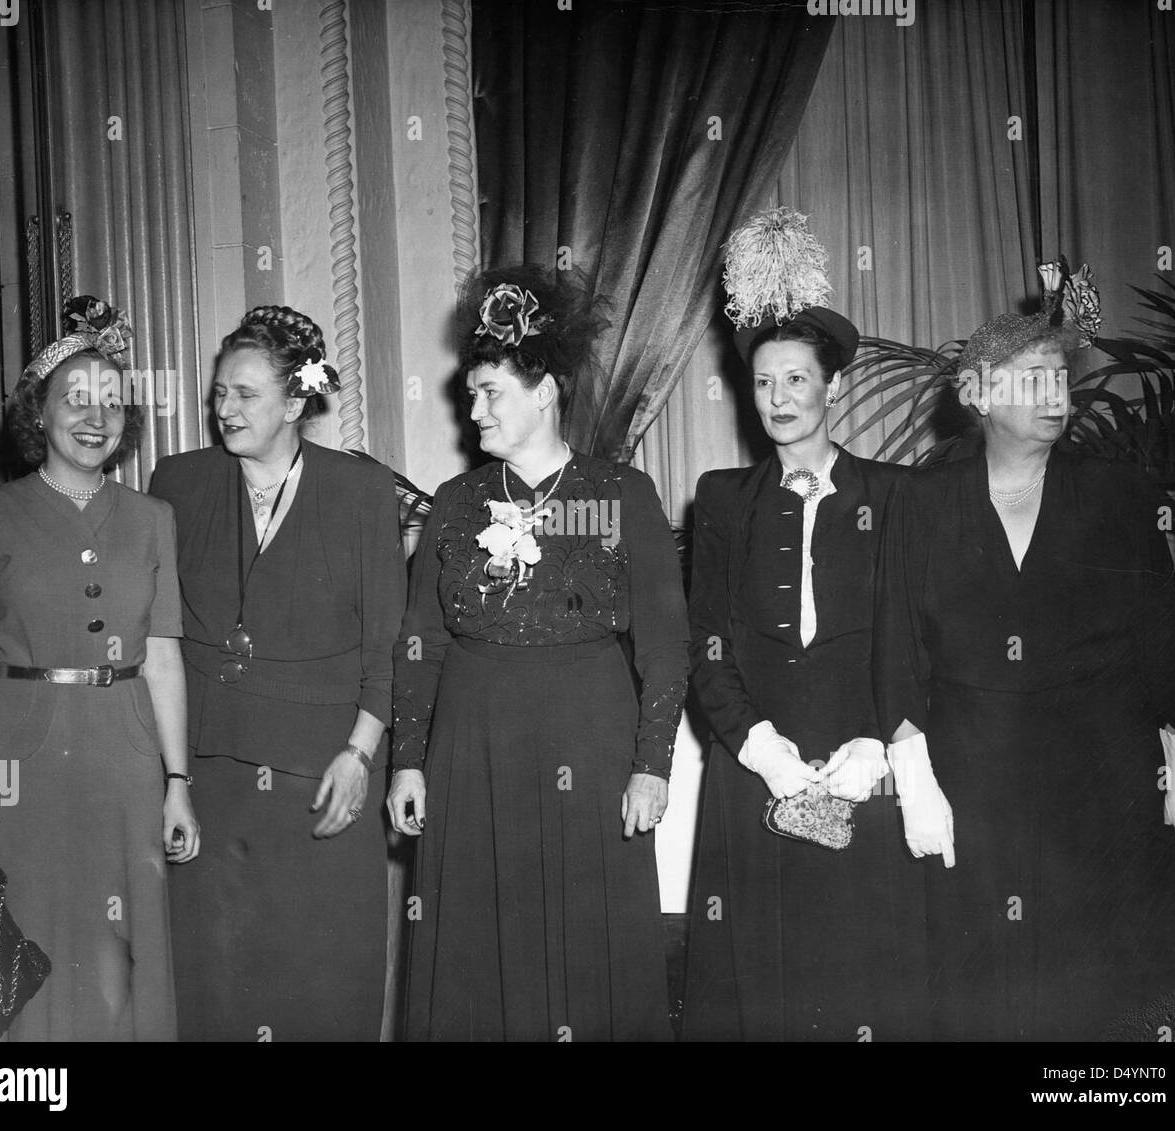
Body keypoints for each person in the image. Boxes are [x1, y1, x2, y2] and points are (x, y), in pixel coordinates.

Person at [874, 261, 1175, 1039]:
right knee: (984, 990)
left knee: (1101, 994)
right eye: (1032, 380)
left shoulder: (1119, 496)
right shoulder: (919, 505)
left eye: (1060, 378)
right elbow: (897, 647)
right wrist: (914, 774)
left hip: (1104, 780)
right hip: (976, 781)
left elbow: (1161, 641)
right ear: (980, 393)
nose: (1056, 395)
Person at [389, 266, 689, 1041]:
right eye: (471, 392)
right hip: (472, 748)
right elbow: (419, 642)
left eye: (491, 391)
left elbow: (665, 641)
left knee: (588, 948)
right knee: (477, 946)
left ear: (546, 390)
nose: (473, 407)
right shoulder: (455, 502)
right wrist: (409, 760)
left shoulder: (622, 494)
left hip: (589, 742)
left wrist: (652, 763)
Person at [0, 296, 198, 1041]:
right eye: (75, 398)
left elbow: (167, 657)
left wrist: (178, 783)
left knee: (124, 958)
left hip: (128, 760)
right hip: (21, 765)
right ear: (37, 413)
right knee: (34, 954)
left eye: (112, 402)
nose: (96, 416)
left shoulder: (153, 519)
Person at [681, 250, 928, 1039]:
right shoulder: (721, 498)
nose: (779, 398)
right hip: (753, 766)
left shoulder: (894, 495)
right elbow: (707, 646)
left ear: (834, 386)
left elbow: (916, 641)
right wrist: (758, 746)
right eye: (763, 381)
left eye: (796, 379)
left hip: (863, 758)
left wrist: (876, 748)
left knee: (861, 973)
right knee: (757, 977)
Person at [149, 306, 406, 1041]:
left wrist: (360, 755)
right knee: (217, 979)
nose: (224, 409)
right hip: (211, 774)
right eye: (219, 392)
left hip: (319, 773)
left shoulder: (361, 491)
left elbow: (386, 643)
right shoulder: (179, 482)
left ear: (296, 402)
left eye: (246, 394)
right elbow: (157, 633)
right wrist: (171, 777)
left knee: (319, 979)